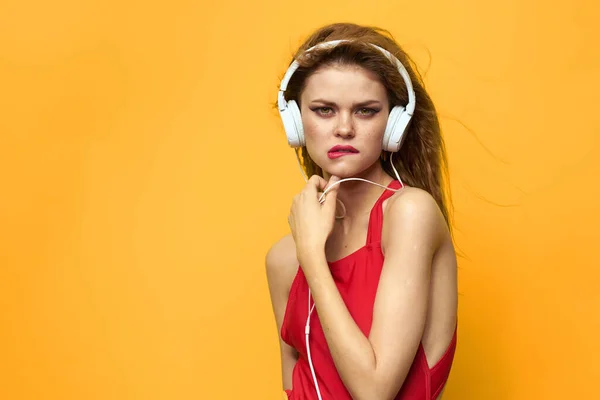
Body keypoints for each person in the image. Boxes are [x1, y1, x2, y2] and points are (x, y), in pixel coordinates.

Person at [266, 22, 458, 400]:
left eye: (366, 111)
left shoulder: (410, 215)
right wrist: (303, 253)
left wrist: (313, 259)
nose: (344, 128)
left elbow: (374, 391)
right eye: (323, 110)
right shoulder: (283, 260)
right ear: (296, 122)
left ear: (394, 125)